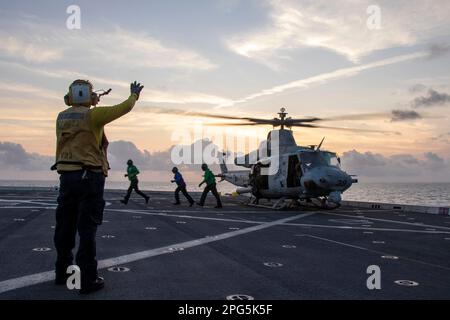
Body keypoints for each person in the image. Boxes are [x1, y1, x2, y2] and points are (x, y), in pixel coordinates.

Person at [52, 80, 144, 294]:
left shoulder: (61, 117)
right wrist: (134, 95)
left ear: (69, 97)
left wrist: (92, 100)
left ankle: (62, 272)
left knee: (65, 226)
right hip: (89, 177)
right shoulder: (94, 116)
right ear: (88, 97)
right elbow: (123, 108)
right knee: (87, 228)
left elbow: (80, 120)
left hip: (66, 176)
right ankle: (87, 279)